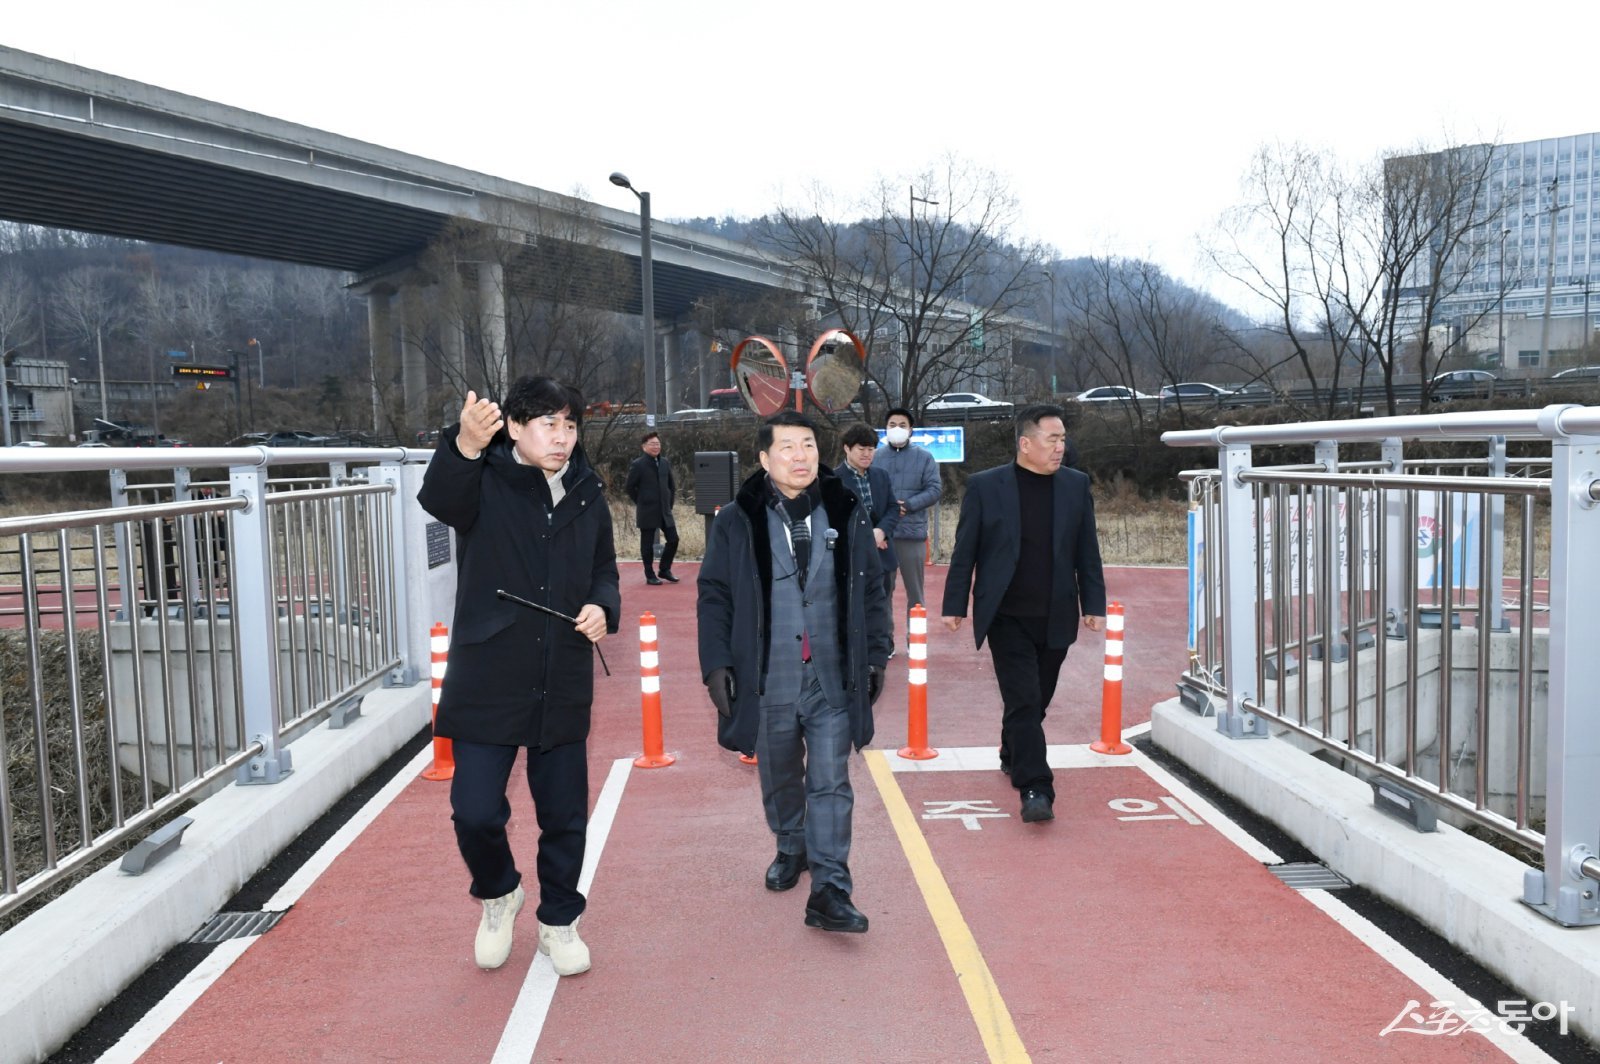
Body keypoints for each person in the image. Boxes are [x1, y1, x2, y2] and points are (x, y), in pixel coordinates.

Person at [417, 376, 620, 976]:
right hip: (490, 673)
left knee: (563, 815)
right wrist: (463, 445)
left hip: (562, 673)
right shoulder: (484, 480)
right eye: (548, 424)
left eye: (570, 425)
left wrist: (603, 607)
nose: (562, 438)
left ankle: (559, 921)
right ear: (513, 428)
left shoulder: (588, 490)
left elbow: (604, 568)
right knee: (474, 812)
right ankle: (499, 891)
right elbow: (440, 499)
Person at [697, 411, 891, 933]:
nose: (801, 456)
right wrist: (716, 665)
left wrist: (876, 654)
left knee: (831, 782)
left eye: (808, 445)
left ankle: (831, 888)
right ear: (764, 459)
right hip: (768, 674)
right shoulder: (735, 521)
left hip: (831, 675)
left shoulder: (846, 511)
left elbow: (872, 589)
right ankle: (791, 843)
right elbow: (714, 595)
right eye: (787, 447)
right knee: (780, 772)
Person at [940, 403, 1106, 824]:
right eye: (1053, 439)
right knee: (1025, 698)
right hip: (1006, 616)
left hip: (1056, 614)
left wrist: (1094, 604)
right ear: (1025, 443)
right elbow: (966, 551)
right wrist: (954, 604)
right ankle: (1036, 787)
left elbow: (1088, 552)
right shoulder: (985, 487)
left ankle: (1012, 748)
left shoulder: (1074, 485)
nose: (1060, 447)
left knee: (1036, 702)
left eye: (1063, 439)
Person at [874, 407, 942, 646]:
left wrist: (909, 505)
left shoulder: (924, 457)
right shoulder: (876, 456)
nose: (897, 429)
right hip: (883, 535)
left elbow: (934, 489)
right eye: (892, 424)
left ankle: (915, 637)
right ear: (885, 429)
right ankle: (885, 640)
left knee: (915, 593)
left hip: (912, 534)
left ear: (911, 429)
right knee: (883, 591)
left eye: (902, 425)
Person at [833, 422, 900, 583]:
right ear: (847, 448)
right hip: (851, 560)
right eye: (861, 449)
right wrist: (870, 537)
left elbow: (893, 508)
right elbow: (835, 519)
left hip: (883, 557)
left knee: (884, 606)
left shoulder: (881, 475)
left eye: (871, 449)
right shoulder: (833, 480)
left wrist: (882, 531)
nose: (866, 454)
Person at [624, 430, 679, 584]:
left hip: (664, 510)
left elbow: (671, 486)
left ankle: (664, 569)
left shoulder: (665, 462)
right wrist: (641, 501)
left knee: (673, 539)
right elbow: (629, 487)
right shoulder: (638, 464)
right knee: (647, 545)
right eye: (652, 444)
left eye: (657, 444)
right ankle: (650, 575)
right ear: (644, 447)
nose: (656, 447)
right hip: (647, 510)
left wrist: (669, 503)